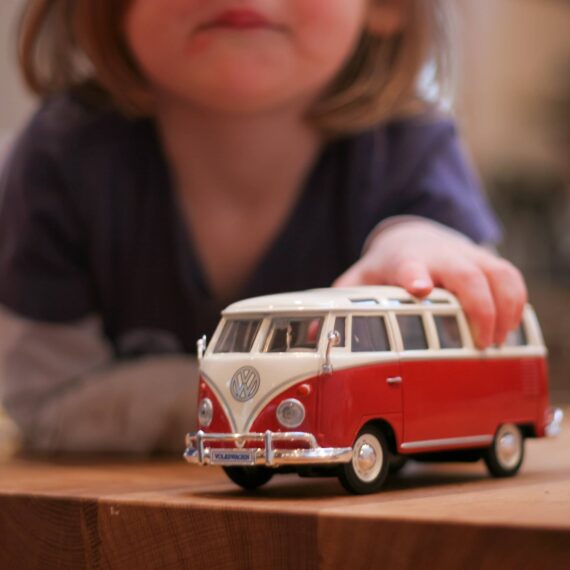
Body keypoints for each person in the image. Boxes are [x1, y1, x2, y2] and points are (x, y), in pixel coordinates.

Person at [0, 0, 526, 453]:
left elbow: (463, 381)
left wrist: (421, 248)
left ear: (385, 5)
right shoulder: (60, 158)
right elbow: (45, 398)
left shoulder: (413, 151)